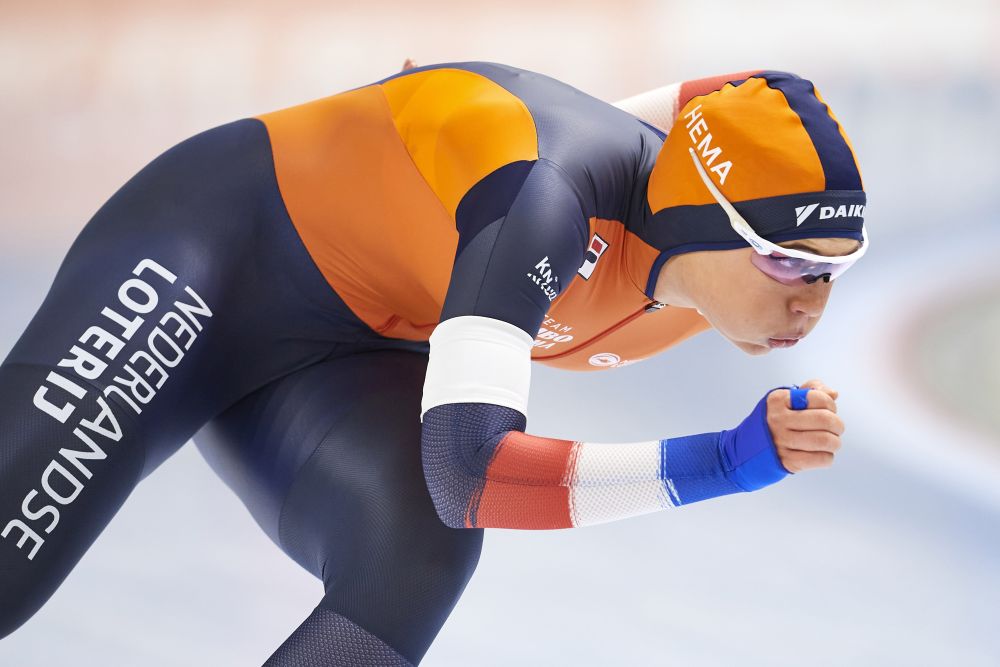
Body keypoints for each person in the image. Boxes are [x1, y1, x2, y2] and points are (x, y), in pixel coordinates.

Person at [0, 61, 864, 665]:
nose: (813, 303)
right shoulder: (544, 202)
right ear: (708, 215)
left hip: (350, 355)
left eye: (835, 270)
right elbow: (469, 472)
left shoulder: (711, 271)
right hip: (216, 251)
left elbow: (742, 96)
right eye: (790, 262)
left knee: (413, 555)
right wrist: (723, 462)